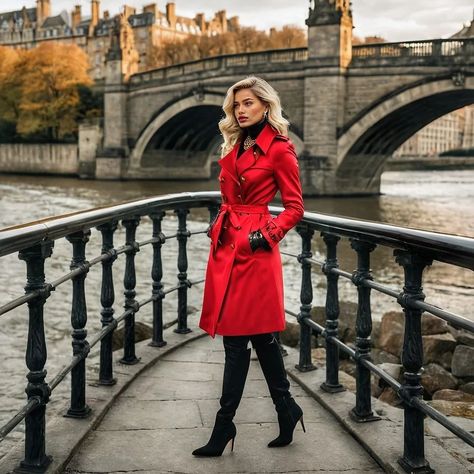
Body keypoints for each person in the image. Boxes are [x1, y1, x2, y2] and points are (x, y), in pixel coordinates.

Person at [193, 76, 305, 457]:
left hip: (255, 251)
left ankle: (223, 427)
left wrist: (264, 236)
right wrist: (218, 222)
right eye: (236, 104)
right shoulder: (236, 143)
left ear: (266, 107)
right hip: (227, 245)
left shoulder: (280, 150)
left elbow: (295, 208)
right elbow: (231, 195)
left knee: (237, 341)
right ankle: (287, 409)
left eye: (248, 104)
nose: (240, 110)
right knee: (260, 337)